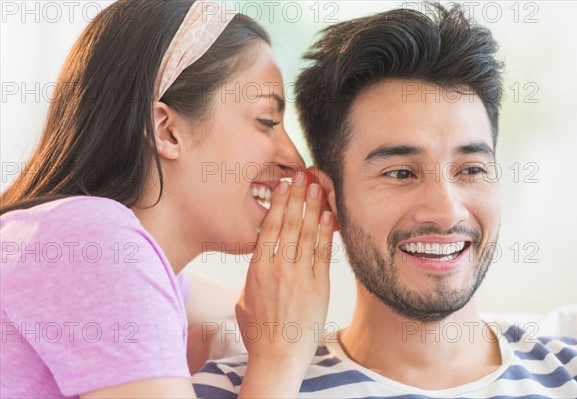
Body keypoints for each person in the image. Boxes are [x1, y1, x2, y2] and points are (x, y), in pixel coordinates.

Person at [192, 3, 577, 398]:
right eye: (401, 173)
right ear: (327, 199)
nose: (446, 212)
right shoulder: (234, 389)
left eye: (471, 169)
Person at [0, 0, 334, 398]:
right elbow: (280, 334)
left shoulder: (134, 264)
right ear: (166, 130)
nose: (294, 161)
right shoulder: (92, 243)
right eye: (266, 122)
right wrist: (279, 361)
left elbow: (263, 310)